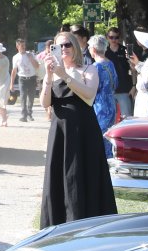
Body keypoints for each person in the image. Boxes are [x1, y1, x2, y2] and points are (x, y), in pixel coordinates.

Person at [39, 30, 115, 225]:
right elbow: (45, 103)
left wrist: (64, 75)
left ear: (75, 47)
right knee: (60, 175)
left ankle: (86, 222)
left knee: (83, 174)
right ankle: (59, 223)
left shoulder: (89, 69)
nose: (63, 49)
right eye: (58, 46)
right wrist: (49, 75)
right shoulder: (53, 73)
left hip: (84, 131)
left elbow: (89, 96)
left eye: (67, 44)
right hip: (60, 132)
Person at [86, 34, 118, 153]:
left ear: (93, 49)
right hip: (111, 104)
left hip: (99, 106)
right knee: (108, 138)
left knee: (98, 138)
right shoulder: (110, 63)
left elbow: (91, 89)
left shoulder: (95, 67)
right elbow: (116, 83)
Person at [104, 29, 131, 118]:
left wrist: (134, 86)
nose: (114, 40)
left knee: (126, 117)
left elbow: (133, 69)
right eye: (111, 37)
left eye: (116, 37)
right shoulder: (104, 51)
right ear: (107, 38)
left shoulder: (125, 50)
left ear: (120, 38)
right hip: (108, 90)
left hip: (124, 89)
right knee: (110, 118)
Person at [12, 39, 40, 122]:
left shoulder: (31, 54)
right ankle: (23, 115)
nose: (24, 47)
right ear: (17, 46)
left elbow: (37, 66)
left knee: (31, 97)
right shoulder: (15, 57)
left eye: (24, 45)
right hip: (22, 79)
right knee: (23, 96)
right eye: (22, 46)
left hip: (32, 78)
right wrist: (11, 83)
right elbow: (14, 71)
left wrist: (31, 58)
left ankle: (29, 114)